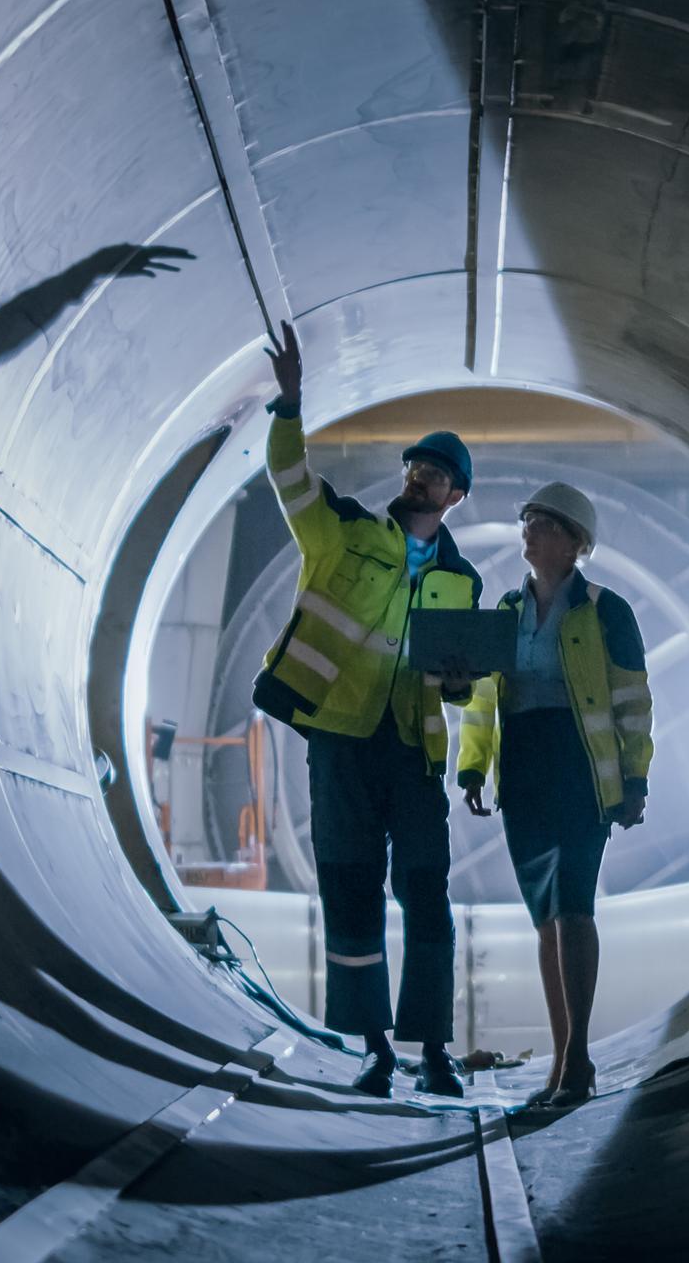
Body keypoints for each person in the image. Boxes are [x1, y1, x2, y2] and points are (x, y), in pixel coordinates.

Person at [251, 322, 481, 1097]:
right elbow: (288, 477)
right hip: (341, 744)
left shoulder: (463, 583)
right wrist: (290, 403)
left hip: (413, 754)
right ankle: (378, 1051)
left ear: (456, 496)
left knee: (426, 895)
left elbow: (462, 685)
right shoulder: (344, 531)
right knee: (350, 889)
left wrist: (460, 684)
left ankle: (435, 1053)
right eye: (416, 465)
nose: (421, 477)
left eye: (437, 473)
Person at [452, 482, 653, 1110]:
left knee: (573, 906)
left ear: (574, 543)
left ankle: (579, 1056)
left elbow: (632, 702)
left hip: (579, 772)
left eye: (542, 522)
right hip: (526, 773)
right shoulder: (507, 611)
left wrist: (635, 778)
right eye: (528, 521)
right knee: (545, 916)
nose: (528, 530)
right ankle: (564, 1055)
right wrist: (472, 767)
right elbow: (485, 700)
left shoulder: (605, 611)